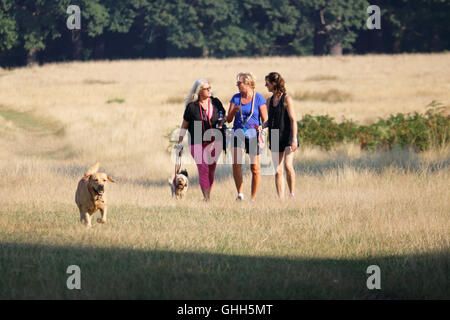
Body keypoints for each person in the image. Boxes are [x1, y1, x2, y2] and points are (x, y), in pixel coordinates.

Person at [176, 79, 226, 201]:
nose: (209, 90)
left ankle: (207, 194)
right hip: (197, 142)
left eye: (210, 87)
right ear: (199, 91)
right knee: (203, 168)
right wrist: (179, 143)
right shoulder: (191, 107)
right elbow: (184, 126)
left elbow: (223, 115)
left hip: (215, 141)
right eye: (206, 88)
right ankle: (207, 198)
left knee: (211, 170)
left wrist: (222, 122)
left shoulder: (216, 102)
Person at [227, 72, 268, 201]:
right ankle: (240, 194)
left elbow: (266, 119)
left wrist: (262, 127)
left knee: (255, 168)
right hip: (238, 133)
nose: (237, 85)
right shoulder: (235, 98)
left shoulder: (259, 98)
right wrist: (233, 111)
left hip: (253, 134)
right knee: (236, 164)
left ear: (248, 83)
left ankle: (253, 198)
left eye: (239, 83)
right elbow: (228, 119)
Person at [264, 72, 298, 199]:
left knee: (288, 166)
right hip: (274, 135)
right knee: (278, 171)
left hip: (288, 135)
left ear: (274, 84)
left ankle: (292, 193)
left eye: (267, 83)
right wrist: (261, 127)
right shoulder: (269, 101)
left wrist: (294, 139)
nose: (265, 86)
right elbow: (269, 121)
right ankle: (281, 199)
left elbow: (293, 119)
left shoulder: (286, 99)